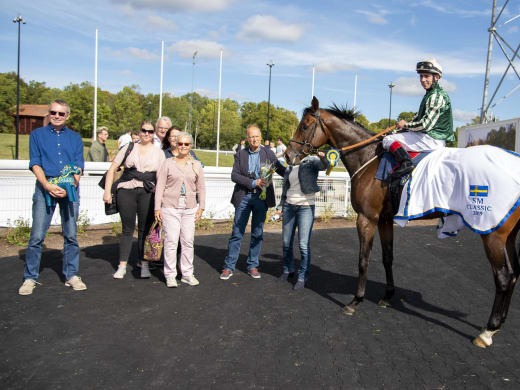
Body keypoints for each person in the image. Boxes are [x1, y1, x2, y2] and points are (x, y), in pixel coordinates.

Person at [19, 99, 86, 295]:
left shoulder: (75, 138)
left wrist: (71, 186)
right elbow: (35, 162)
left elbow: (78, 165)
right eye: (53, 112)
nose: (56, 116)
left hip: (69, 189)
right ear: (49, 113)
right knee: (37, 236)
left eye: (61, 113)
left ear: (67, 116)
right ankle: (30, 277)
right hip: (44, 186)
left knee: (71, 235)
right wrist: (47, 185)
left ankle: (71, 274)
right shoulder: (37, 135)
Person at [220, 124, 285, 280]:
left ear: (260, 137)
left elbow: (281, 170)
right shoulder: (240, 154)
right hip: (243, 196)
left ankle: (253, 265)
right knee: (237, 233)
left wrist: (297, 170)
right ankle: (229, 267)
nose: (254, 139)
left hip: (261, 199)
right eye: (251, 136)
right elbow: (234, 176)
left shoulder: (268, 153)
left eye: (257, 136)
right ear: (247, 138)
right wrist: (253, 183)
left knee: (257, 233)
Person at [103, 121, 165, 279]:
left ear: (154, 134)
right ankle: (122, 265)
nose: (146, 134)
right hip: (127, 190)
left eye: (150, 132)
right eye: (144, 130)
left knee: (145, 230)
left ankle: (144, 264)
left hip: (147, 191)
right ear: (140, 131)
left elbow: (162, 178)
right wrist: (107, 191)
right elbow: (112, 169)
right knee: (127, 229)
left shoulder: (159, 153)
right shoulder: (129, 148)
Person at [383, 58, 454, 177]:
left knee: (387, 140)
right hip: (428, 137)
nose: (423, 80)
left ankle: (406, 163)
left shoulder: (436, 96)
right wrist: (395, 131)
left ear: (436, 77)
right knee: (390, 136)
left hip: (431, 140)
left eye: (426, 76)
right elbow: (416, 120)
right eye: (421, 76)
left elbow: (424, 125)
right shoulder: (430, 95)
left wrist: (404, 125)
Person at [155, 132, 206, 288]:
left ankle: (187, 273)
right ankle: (170, 274)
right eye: (180, 144)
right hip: (170, 206)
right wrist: (157, 208)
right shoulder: (168, 163)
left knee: (188, 241)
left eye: (187, 144)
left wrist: (201, 207)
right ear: (176, 145)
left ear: (191, 146)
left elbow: (201, 187)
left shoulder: (196, 165)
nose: (183, 147)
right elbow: (160, 186)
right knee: (171, 241)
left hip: (189, 207)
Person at [275, 151, 329, 290]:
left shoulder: (311, 161)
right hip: (288, 207)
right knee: (286, 243)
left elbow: (324, 166)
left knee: (303, 245)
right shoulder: (289, 166)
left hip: (306, 207)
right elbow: (285, 188)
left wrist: (323, 157)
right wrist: (280, 207)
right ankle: (288, 270)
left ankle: (302, 276)